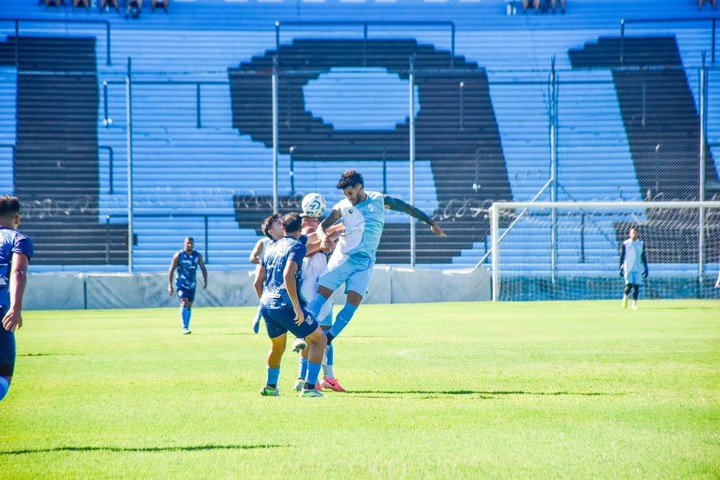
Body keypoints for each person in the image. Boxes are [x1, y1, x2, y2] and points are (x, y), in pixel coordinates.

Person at [306, 169, 446, 347]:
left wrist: (431, 222)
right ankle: (302, 333)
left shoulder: (380, 200)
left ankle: (327, 340)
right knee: (323, 293)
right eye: (345, 194)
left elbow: (405, 207)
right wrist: (324, 237)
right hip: (344, 257)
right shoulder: (342, 206)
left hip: (365, 263)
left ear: (360, 187)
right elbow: (322, 227)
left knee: (354, 302)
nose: (348, 197)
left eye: (350, 192)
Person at [254, 213, 328, 398]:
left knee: (277, 347)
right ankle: (309, 388)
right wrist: (296, 307)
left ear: (284, 229)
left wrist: (264, 303)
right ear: (301, 229)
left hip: (267, 306)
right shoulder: (296, 246)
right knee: (319, 340)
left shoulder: (270, 248)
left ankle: (271, 387)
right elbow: (288, 274)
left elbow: (257, 282)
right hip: (285, 305)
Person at [294, 208, 346, 393]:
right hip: (314, 290)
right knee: (319, 337)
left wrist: (331, 237)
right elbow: (309, 249)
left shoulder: (317, 232)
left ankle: (323, 377)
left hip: (319, 287)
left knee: (320, 336)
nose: (308, 223)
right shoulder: (308, 235)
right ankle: (311, 379)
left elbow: (327, 244)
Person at [0, 196, 34, 403]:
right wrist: (15, 308)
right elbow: (18, 272)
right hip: (0, 310)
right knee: (3, 377)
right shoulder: (19, 239)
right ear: (17, 218)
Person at [249, 214, 284, 334]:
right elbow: (252, 257)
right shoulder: (264, 243)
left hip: (280, 273)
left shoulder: (288, 242)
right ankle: (261, 313)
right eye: (278, 223)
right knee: (265, 292)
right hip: (267, 270)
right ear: (270, 231)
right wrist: (264, 263)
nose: (282, 225)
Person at [168, 237, 207, 334]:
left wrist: (205, 280)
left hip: (192, 284)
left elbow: (203, 268)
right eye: (188, 243)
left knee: (189, 305)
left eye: (191, 243)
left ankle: (187, 326)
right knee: (184, 302)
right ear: (184, 244)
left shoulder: (197, 256)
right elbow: (171, 270)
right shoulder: (178, 256)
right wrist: (170, 285)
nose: (190, 245)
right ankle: (184, 327)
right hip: (181, 283)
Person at [619, 227, 648, 310]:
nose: (634, 235)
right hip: (628, 267)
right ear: (630, 234)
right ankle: (625, 298)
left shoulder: (641, 244)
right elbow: (622, 256)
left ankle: (634, 304)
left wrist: (646, 267)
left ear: (637, 234)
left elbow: (643, 256)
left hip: (638, 268)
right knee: (629, 285)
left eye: (635, 233)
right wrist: (620, 267)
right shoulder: (626, 243)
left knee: (636, 286)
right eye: (632, 233)